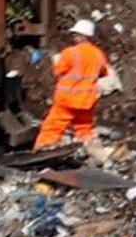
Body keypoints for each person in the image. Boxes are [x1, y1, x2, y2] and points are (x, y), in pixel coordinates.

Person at [33, 18, 109, 150]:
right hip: (87, 101)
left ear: (81, 36)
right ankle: (90, 150)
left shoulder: (70, 53)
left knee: (53, 127)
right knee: (84, 128)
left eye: (75, 34)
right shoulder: (98, 54)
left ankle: (42, 149)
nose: (73, 37)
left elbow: (58, 71)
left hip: (67, 100)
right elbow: (103, 72)